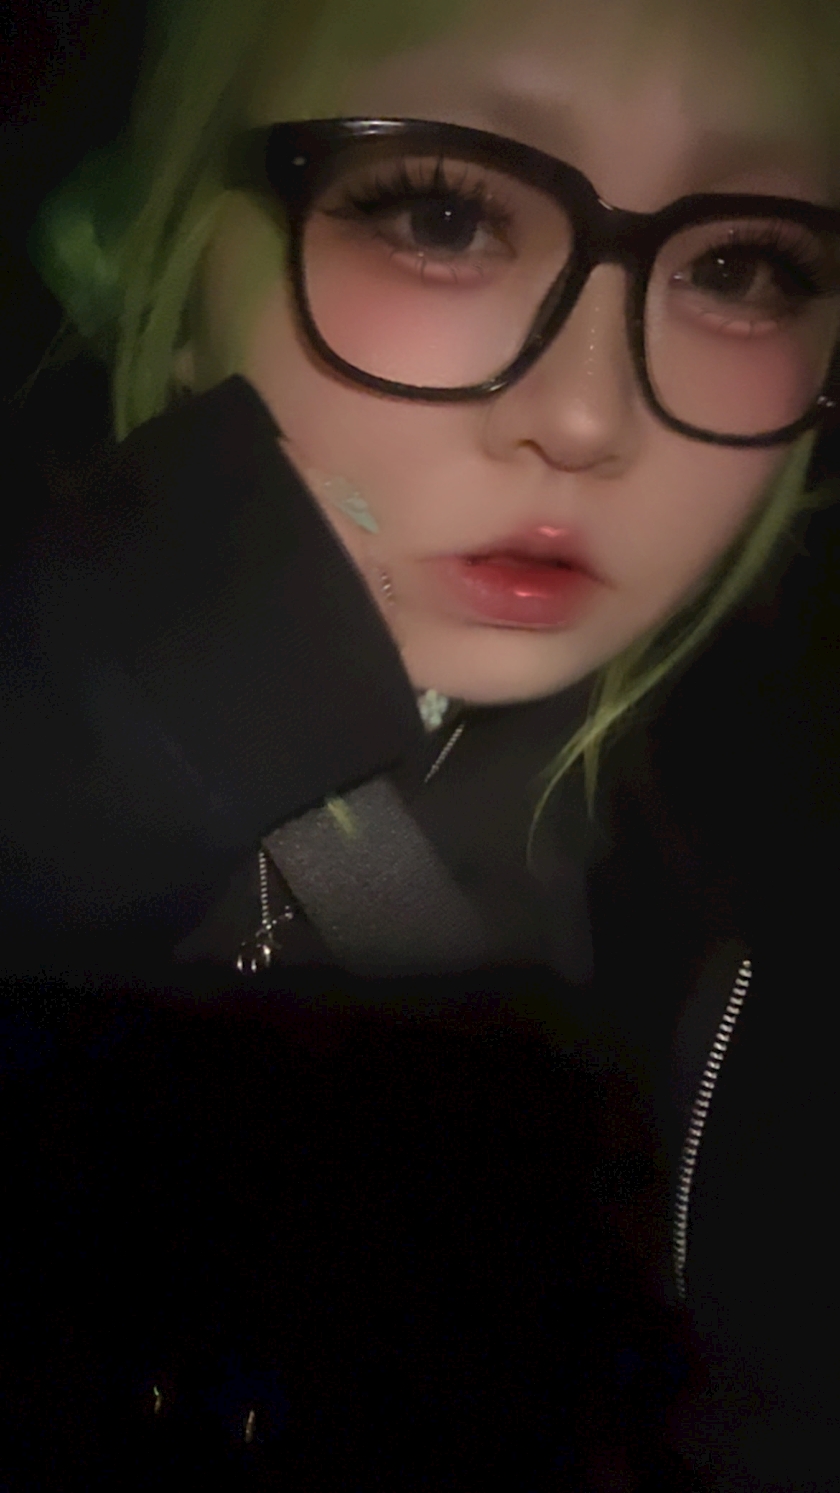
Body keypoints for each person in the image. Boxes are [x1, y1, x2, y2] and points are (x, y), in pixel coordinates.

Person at [2, 0, 840, 1486]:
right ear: (162, 254)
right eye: (442, 214)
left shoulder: (764, 849)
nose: (584, 414)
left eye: (739, 266)